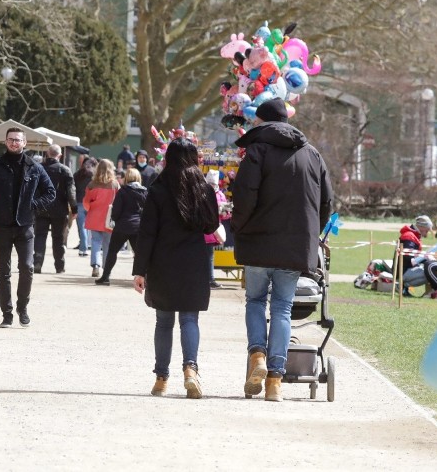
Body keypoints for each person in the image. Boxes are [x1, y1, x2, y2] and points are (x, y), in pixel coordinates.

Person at [232, 98, 333, 403]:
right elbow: (326, 203)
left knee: (254, 301)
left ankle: (258, 355)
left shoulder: (257, 151)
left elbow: (245, 195)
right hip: (293, 246)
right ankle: (275, 380)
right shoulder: (312, 154)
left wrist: (241, 225)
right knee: (282, 308)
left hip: (259, 241)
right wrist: (310, 234)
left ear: (261, 122)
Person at [133, 138, 219, 399]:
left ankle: (161, 378)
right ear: (193, 158)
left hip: (163, 261)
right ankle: (190, 369)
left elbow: (147, 232)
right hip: (194, 260)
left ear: (168, 157)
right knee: (190, 319)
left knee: (164, 321)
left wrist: (140, 269)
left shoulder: (158, 188)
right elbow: (211, 225)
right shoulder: (201, 187)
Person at [0, 127, 55, 328]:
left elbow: (50, 192)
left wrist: (34, 205)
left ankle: (22, 308)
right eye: (11, 140)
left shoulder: (34, 167)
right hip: (1, 225)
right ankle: (7, 313)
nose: (14, 143)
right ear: (5, 142)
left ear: (24, 143)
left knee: (27, 268)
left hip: (25, 226)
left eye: (18, 140)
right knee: (3, 271)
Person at [96, 167, 147, 286]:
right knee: (139, 253)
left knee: (112, 251)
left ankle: (106, 277)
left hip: (122, 226)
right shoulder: (144, 191)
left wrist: (115, 219)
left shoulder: (123, 191)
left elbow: (116, 210)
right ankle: (143, 278)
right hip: (138, 227)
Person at [33, 144, 76, 274]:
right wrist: (74, 208)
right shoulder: (65, 170)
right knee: (58, 238)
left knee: (40, 236)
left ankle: (37, 262)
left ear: (47, 153)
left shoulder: (39, 168)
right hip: (60, 209)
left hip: (41, 207)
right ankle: (59, 266)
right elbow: (71, 192)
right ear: (60, 155)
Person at [83, 159, 119, 278]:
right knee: (108, 243)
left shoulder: (92, 184)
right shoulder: (115, 184)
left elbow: (86, 202)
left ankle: (95, 266)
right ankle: (106, 268)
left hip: (94, 216)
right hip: (109, 217)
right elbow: (119, 201)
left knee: (95, 242)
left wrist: (91, 208)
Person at [203, 169, 228, 289]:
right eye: (210, 184)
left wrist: (223, 213)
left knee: (209, 255)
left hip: (212, 229)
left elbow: (226, 213)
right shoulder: (202, 193)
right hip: (203, 228)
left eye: (214, 184)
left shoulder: (221, 195)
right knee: (206, 255)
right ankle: (208, 279)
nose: (212, 186)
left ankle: (209, 279)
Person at [401, 215, 434, 297]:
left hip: (406, 268)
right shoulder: (409, 236)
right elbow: (408, 256)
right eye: (427, 229)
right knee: (430, 272)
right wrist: (425, 257)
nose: (428, 231)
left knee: (430, 267)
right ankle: (402, 286)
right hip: (403, 271)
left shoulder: (413, 235)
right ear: (421, 226)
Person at [73, 157, 97, 257]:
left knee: (82, 227)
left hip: (79, 202)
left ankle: (83, 248)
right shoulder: (95, 177)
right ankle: (87, 246)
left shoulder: (77, 175)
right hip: (92, 203)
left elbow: (73, 189)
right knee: (91, 227)